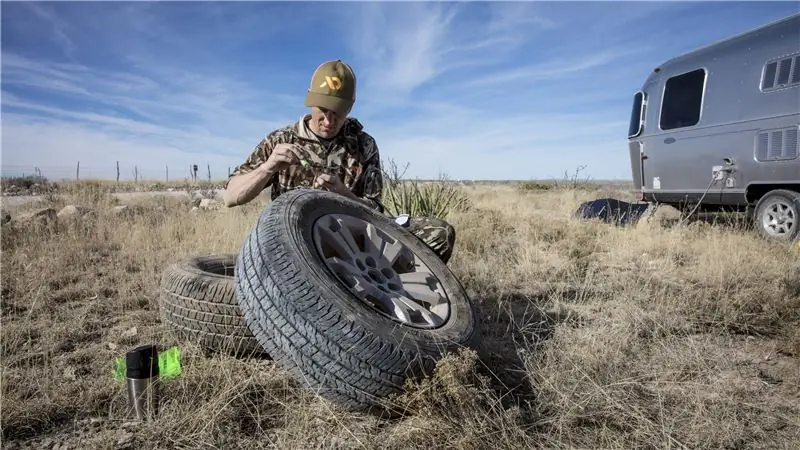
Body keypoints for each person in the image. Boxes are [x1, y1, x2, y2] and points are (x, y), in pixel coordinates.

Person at [222, 60, 456, 264]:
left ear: (350, 108)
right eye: (322, 109)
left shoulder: (363, 144)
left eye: (338, 112)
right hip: (295, 240)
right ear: (310, 101)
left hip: (352, 240)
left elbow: (375, 210)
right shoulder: (280, 140)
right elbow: (230, 197)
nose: (328, 120)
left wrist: (344, 195)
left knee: (438, 233)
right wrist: (268, 167)